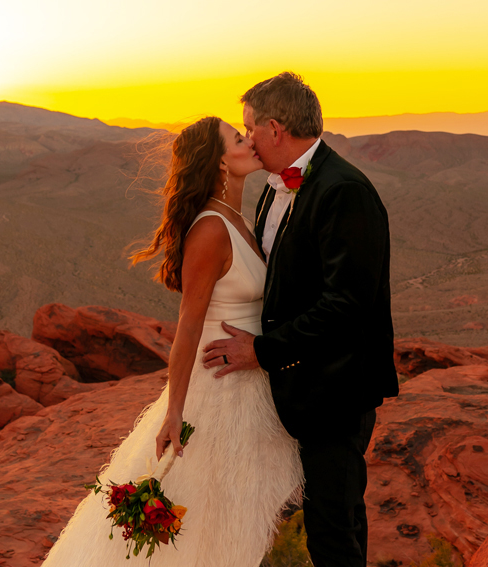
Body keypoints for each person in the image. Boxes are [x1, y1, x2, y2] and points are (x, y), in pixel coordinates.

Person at [40, 116, 304, 566]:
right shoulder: (211, 230)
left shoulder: (237, 218)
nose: (250, 143)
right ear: (220, 163)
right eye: (238, 139)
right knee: (209, 526)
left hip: (249, 385)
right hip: (221, 394)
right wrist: (174, 411)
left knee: (232, 522)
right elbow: (187, 326)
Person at [202, 72, 399, 567]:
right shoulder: (273, 187)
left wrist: (262, 350)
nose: (246, 139)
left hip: (336, 392)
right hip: (301, 390)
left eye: (249, 129)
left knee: (333, 532)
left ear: (274, 128)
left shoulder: (344, 191)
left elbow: (345, 306)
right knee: (333, 526)